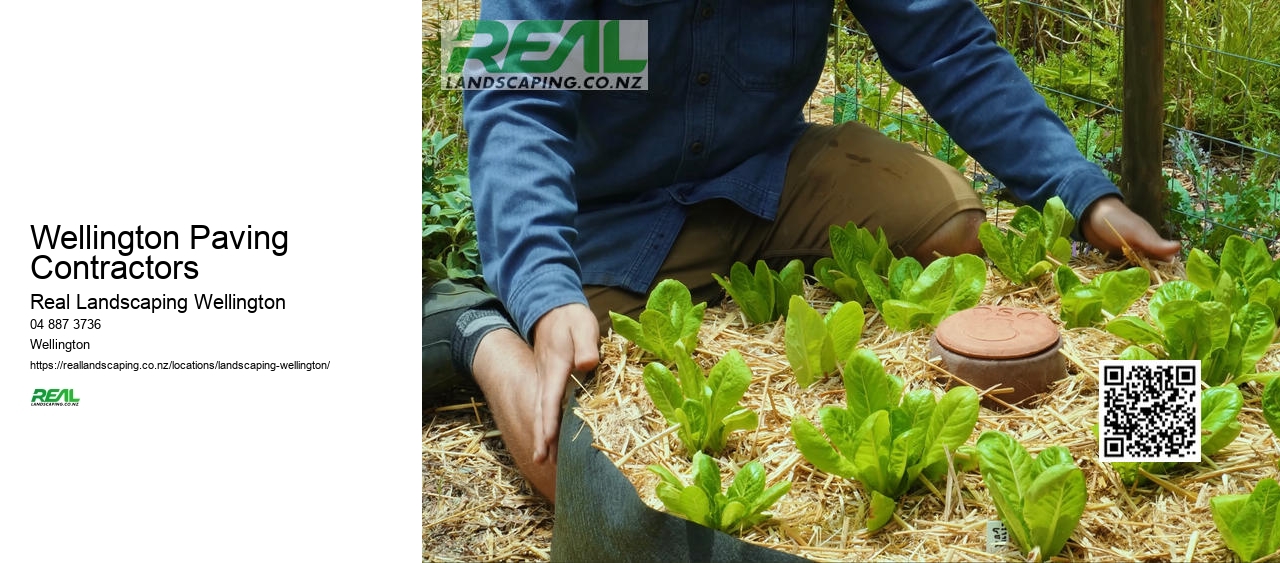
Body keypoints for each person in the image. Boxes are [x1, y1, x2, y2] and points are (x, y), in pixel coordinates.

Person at [434, 0, 1182, 543]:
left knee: (950, 225)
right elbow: (517, 92)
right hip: (611, 214)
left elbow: (947, 43)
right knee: (581, 464)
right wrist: (545, 289)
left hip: (764, 175)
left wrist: (1085, 195)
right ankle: (480, 333)